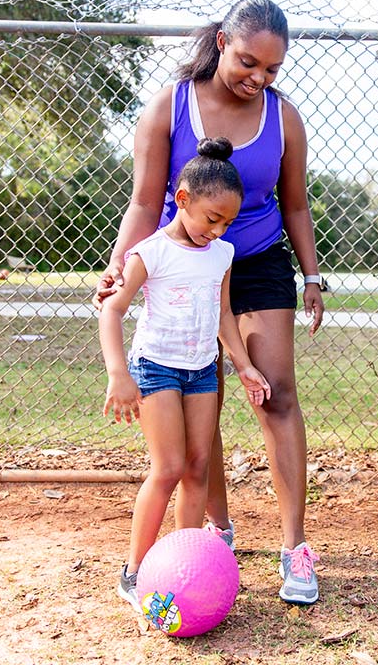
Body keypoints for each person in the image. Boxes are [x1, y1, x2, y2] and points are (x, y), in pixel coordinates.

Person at [94, 0, 326, 605]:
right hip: (184, 268)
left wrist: (311, 276)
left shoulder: (283, 117)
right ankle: (214, 535)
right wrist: (121, 265)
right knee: (205, 398)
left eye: (272, 70)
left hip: (256, 261)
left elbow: (296, 204)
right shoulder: (171, 106)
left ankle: (294, 546)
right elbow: (146, 203)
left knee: (274, 391)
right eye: (250, 62)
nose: (260, 78)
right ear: (223, 42)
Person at [99, 137, 272, 614]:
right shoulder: (150, 253)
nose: (216, 230)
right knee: (169, 467)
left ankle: (181, 568)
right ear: (183, 200)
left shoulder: (222, 255)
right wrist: (119, 375)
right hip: (155, 368)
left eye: (228, 222)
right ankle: (134, 573)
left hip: (201, 371)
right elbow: (110, 314)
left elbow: (222, 316)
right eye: (210, 218)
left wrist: (243, 365)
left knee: (198, 469)